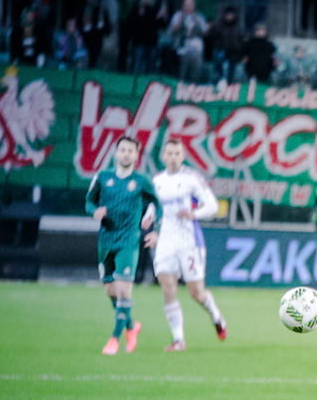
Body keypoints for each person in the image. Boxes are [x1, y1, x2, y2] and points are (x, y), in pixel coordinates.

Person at [85, 136, 161, 355]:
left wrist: (153, 226)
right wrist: (94, 211)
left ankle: (113, 340)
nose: (126, 153)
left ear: (136, 156)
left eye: (131, 151)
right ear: (116, 153)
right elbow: (89, 201)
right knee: (110, 290)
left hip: (129, 241)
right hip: (106, 239)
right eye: (123, 150)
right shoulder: (103, 177)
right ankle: (130, 325)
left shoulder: (141, 181)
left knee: (124, 290)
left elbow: (157, 203)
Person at [152, 139, 228, 351]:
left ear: (182, 156)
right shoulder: (157, 181)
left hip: (189, 241)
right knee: (167, 286)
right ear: (163, 156)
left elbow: (212, 205)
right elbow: (153, 208)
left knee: (196, 292)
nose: (173, 157)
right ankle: (178, 340)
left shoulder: (192, 179)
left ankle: (217, 317)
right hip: (167, 239)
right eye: (170, 153)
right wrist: (150, 225)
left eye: (177, 153)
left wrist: (194, 214)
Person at [169, 0, 208, 82]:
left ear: (194, 6)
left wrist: (198, 22)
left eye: (190, 4)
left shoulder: (199, 16)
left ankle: (193, 89)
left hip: (196, 47)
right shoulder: (178, 15)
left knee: (196, 71)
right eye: (186, 5)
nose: (188, 7)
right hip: (182, 46)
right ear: (183, 5)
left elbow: (205, 32)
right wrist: (180, 21)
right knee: (181, 70)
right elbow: (172, 30)